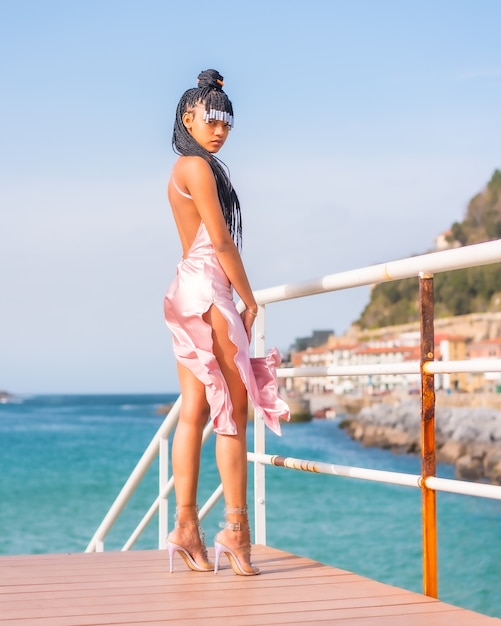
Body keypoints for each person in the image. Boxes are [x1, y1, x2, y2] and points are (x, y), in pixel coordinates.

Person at [163, 69, 289, 576]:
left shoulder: (188, 169)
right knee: (232, 410)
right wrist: (249, 298)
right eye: (210, 119)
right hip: (208, 289)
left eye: (226, 123)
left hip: (186, 287)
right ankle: (236, 531)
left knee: (195, 409)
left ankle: (187, 528)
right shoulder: (195, 166)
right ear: (187, 117)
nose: (219, 130)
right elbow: (220, 241)